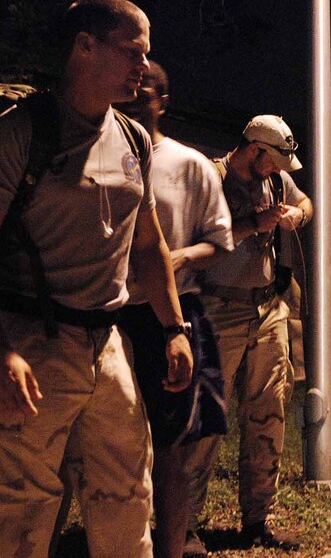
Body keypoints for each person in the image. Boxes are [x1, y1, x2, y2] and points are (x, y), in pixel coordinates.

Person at [0, 0, 193, 558]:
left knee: (128, 500)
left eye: (145, 55)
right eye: (131, 52)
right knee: (14, 517)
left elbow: (150, 243)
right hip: (28, 340)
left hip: (107, 346)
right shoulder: (17, 135)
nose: (142, 68)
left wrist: (173, 327)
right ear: (85, 45)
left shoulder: (132, 139)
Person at [112, 61, 233, 558]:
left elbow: (220, 239)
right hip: (106, 310)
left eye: (147, 93)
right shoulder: (97, 152)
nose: (137, 98)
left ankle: (173, 544)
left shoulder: (189, 164)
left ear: (163, 101)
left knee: (174, 444)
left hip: (170, 312)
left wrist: (178, 256)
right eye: (130, 90)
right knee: (107, 438)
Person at [184, 114, 312, 556]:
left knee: (268, 415)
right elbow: (195, 242)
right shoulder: (210, 178)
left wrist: (297, 213)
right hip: (220, 309)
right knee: (206, 423)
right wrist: (251, 227)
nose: (278, 171)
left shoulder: (275, 183)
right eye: (274, 161)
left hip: (268, 307)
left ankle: (260, 519)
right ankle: (185, 526)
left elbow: (307, 203)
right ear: (255, 150)